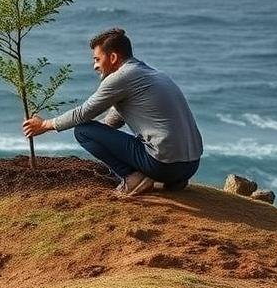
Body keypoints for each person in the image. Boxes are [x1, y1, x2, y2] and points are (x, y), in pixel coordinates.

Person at [22, 28, 202, 196]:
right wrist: (102, 137)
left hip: (163, 165)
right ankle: (174, 181)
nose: (95, 66)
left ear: (113, 57)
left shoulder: (121, 77)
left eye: (97, 59)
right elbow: (115, 118)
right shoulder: (150, 73)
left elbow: (84, 113)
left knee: (82, 130)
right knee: (91, 131)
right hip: (191, 165)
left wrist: (45, 125)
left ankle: (132, 177)